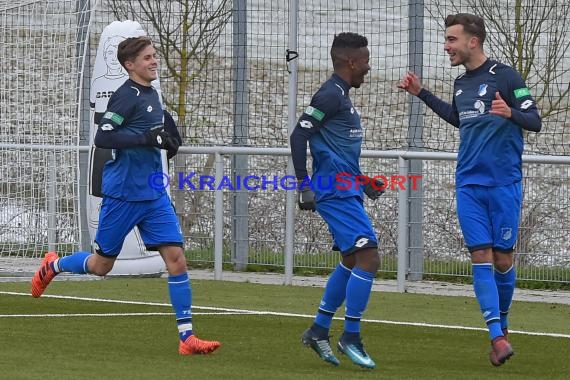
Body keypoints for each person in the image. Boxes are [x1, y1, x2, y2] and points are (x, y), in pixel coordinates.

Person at [31, 36, 220, 356]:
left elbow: (162, 131)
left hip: (153, 194)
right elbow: (104, 136)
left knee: (176, 261)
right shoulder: (124, 97)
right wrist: (147, 137)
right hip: (122, 195)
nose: (154, 61)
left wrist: (170, 139)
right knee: (102, 265)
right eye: (147, 58)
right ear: (130, 65)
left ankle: (187, 337)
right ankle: (56, 264)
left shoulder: (152, 95)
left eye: (154, 55)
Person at [397, 13, 541, 366]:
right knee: (481, 257)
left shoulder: (506, 77)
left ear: (472, 41)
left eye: (451, 40)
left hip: (504, 184)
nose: (446, 47)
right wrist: (422, 93)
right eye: (446, 40)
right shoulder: (461, 84)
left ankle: (501, 329)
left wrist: (510, 113)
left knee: (504, 260)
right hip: (469, 185)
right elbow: (459, 119)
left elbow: (534, 120)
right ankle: (496, 336)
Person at [290, 32, 384, 369]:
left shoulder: (342, 96)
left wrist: (364, 181)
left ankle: (318, 330)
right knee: (369, 258)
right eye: (366, 61)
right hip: (334, 192)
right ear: (351, 62)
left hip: (347, 188)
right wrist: (304, 186)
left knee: (350, 260)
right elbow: (298, 134)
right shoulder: (330, 95)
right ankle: (351, 336)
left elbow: (336, 153)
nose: (369, 68)